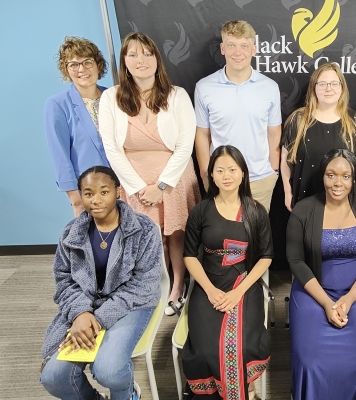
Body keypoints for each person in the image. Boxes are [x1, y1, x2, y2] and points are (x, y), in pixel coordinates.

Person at [40, 166, 162, 400]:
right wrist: (80, 313)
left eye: (103, 192)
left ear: (117, 192)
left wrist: (97, 318)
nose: (95, 200)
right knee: (54, 377)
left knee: (110, 371)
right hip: (84, 307)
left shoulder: (144, 230)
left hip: (131, 304)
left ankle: (127, 394)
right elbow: (64, 279)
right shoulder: (71, 233)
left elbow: (144, 284)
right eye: (88, 193)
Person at [99, 32, 200, 315]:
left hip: (175, 177)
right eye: (133, 54)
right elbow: (111, 148)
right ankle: (153, 285)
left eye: (147, 53)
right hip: (134, 182)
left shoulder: (176, 95)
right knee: (148, 237)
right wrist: (137, 187)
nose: (140, 60)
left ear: (157, 58)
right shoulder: (111, 98)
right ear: (124, 61)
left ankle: (178, 286)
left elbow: (185, 145)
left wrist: (162, 185)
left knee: (176, 235)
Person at [286, 148, 356, 400]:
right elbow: (296, 260)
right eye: (331, 175)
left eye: (345, 176)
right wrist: (327, 304)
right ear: (322, 176)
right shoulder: (304, 209)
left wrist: (349, 299)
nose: (337, 183)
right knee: (308, 362)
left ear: (354, 179)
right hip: (313, 289)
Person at [182, 145, 272, 400]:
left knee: (242, 347)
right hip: (208, 284)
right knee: (205, 350)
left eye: (232, 169)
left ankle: (244, 389)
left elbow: (265, 257)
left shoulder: (256, 211)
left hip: (244, 284)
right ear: (211, 175)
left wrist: (238, 293)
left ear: (243, 173)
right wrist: (210, 291)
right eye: (219, 170)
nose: (226, 175)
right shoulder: (201, 211)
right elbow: (189, 255)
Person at [194, 20, 281, 212]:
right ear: (222, 48)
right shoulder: (204, 87)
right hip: (221, 180)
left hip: (260, 179)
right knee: (222, 240)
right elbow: (202, 134)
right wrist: (206, 174)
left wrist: (273, 171)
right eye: (231, 45)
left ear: (254, 49)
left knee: (256, 239)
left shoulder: (269, 87)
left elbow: (274, 132)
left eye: (244, 46)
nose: (237, 52)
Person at [281, 63, 356, 211]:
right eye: (322, 84)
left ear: (342, 87)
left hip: (345, 201)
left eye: (334, 83)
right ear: (314, 88)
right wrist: (287, 192)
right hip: (305, 200)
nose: (328, 88)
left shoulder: (355, 121)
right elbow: (286, 160)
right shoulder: (298, 120)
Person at [44, 37, 110, 217]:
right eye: (73, 64)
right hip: (88, 190)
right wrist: (74, 196)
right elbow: (59, 153)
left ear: (98, 64)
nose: (81, 69)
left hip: (123, 186)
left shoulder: (114, 96)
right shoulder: (57, 104)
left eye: (87, 62)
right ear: (66, 70)